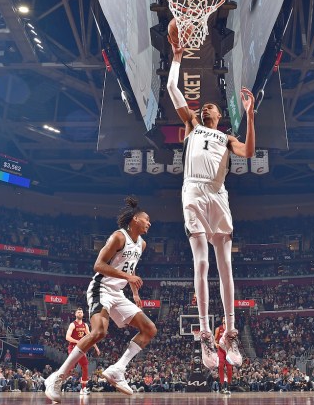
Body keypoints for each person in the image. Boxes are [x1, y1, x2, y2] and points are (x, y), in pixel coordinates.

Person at [166, 34, 256, 369]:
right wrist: (176, 58)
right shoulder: (191, 124)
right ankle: (205, 332)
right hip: (193, 189)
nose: (206, 107)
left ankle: (229, 331)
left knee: (226, 265)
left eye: (211, 106)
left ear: (218, 115)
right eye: (203, 105)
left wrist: (250, 115)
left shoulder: (227, 136)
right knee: (201, 263)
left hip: (218, 194)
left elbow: (247, 152)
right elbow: (174, 92)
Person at [45, 197, 156, 402]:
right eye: (146, 219)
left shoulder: (142, 244)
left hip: (119, 292)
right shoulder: (118, 237)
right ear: (134, 219)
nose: (149, 223)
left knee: (149, 329)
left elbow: (130, 269)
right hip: (101, 288)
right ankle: (57, 377)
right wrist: (128, 278)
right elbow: (98, 265)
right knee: (99, 332)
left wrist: (135, 293)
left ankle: (117, 370)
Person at [65, 307, 100, 395]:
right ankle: (58, 382)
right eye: (78, 312)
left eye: (81, 312)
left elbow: (91, 338)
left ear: (83, 314)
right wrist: (78, 341)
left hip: (81, 348)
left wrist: (96, 348)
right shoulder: (72, 324)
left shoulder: (85, 325)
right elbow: (67, 337)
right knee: (71, 366)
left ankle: (83, 389)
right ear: (75, 314)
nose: (80, 313)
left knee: (85, 366)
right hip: (73, 347)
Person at [214, 317, 233, 394]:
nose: (225, 320)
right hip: (221, 351)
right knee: (221, 366)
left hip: (228, 351)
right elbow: (215, 340)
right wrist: (216, 344)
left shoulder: (230, 330)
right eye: (224, 319)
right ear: (222, 321)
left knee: (229, 368)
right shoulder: (218, 329)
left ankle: (228, 386)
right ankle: (222, 386)